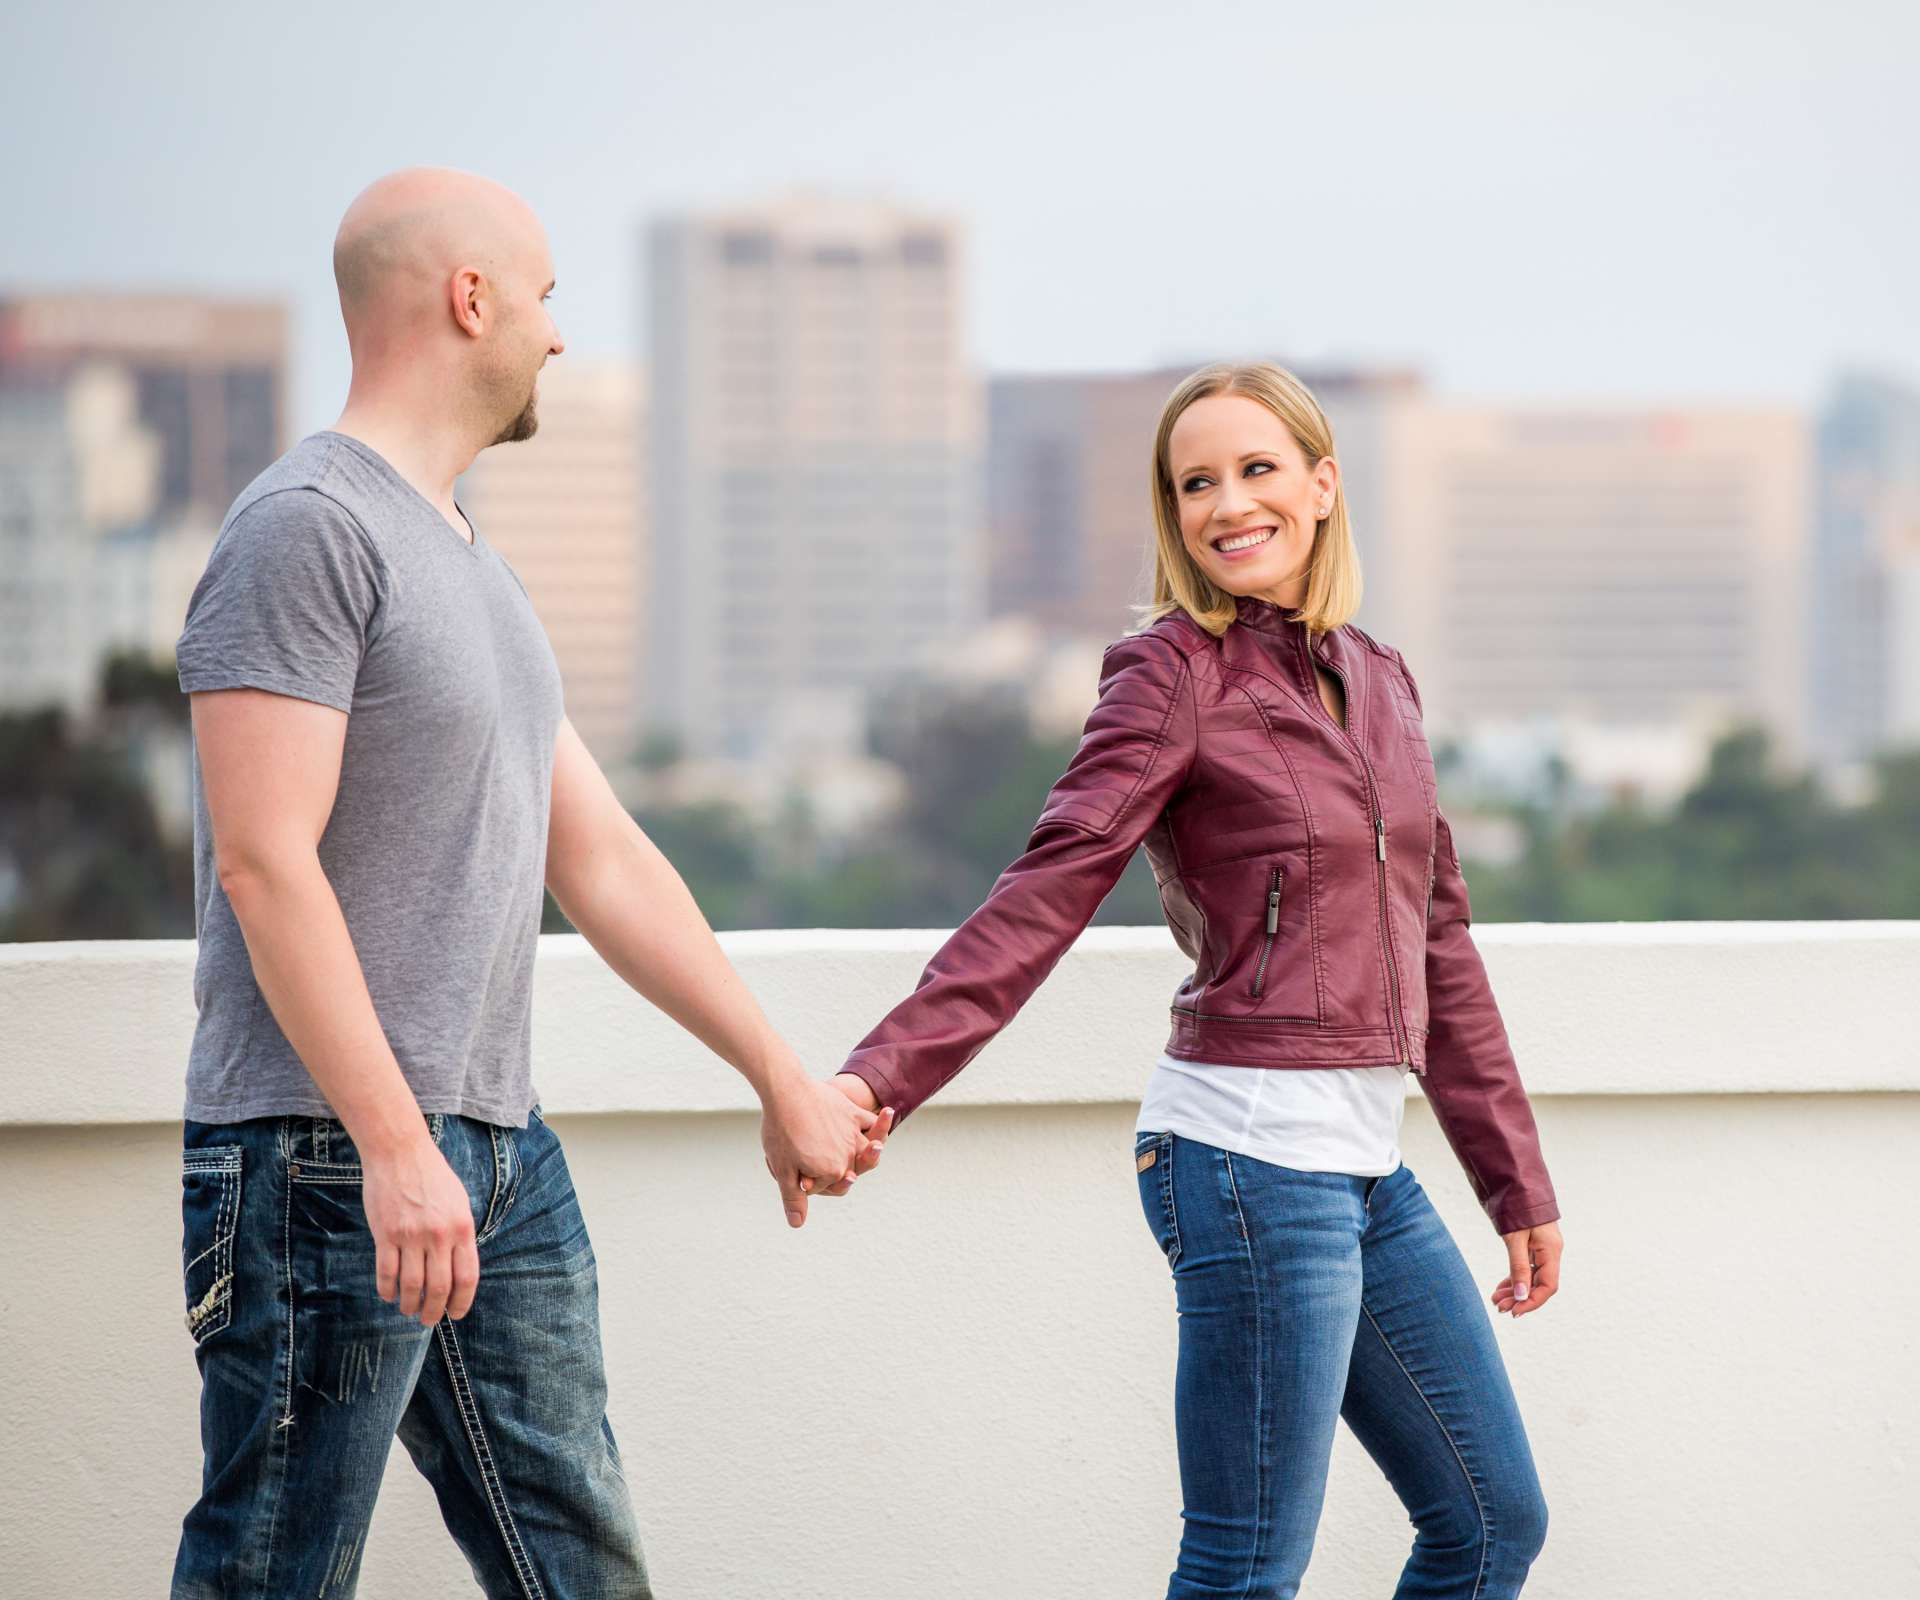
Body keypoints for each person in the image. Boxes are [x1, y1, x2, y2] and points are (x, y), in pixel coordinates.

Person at [171, 167, 888, 1598]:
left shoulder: (470, 566)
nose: (559, 336)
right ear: (471, 296)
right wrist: (390, 1146)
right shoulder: (307, 526)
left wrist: (780, 1075)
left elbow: (603, 858)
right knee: (271, 1573)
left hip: (499, 1153)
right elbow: (263, 860)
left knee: (582, 1569)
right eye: (547, 297)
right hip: (325, 1158)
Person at [835, 362, 1561, 1597]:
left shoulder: (1378, 678)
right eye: (1196, 484)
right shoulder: (1171, 672)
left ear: (1324, 485)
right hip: (1246, 1156)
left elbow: (1439, 940)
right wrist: (877, 1079)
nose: (1230, 504)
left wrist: (1514, 1177)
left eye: (1259, 469)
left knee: (1492, 1524)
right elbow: (1050, 884)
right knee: (1245, 1567)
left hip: (1364, 1163)